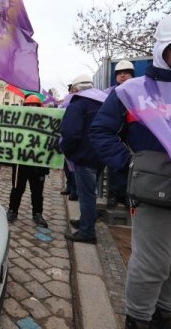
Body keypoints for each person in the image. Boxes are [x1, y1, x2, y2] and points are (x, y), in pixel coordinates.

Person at [90, 9, 171, 329]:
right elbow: (101, 133)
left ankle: (162, 314)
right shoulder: (132, 91)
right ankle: (138, 319)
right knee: (151, 266)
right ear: (163, 49)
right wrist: (129, 167)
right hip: (156, 197)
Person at [60, 73, 107, 244]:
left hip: (84, 156)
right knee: (90, 193)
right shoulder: (104, 102)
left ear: (75, 89)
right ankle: (85, 221)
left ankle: (87, 232)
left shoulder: (78, 104)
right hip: (101, 156)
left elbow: (71, 133)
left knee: (86, 195)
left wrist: (67, 150)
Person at [7, 95, 50, 227]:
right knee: (17, 189)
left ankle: (37, 213)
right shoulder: (18, 122)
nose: (32, 108)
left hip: (38, 163)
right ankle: (12, 211)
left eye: (34, 105)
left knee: (37, 191)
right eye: (29, 105)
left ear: (39, 107)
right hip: (20, 163)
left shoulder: (46, 123)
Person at [106, 60, 135, 208]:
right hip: (114, 135)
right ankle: (113, 195)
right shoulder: (111, 93)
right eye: (119, 73)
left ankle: (126, 195)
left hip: (131, 136)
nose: (122, 76)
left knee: (131, 168)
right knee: (114, 166)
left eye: (126, 73)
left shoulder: (138, 91)